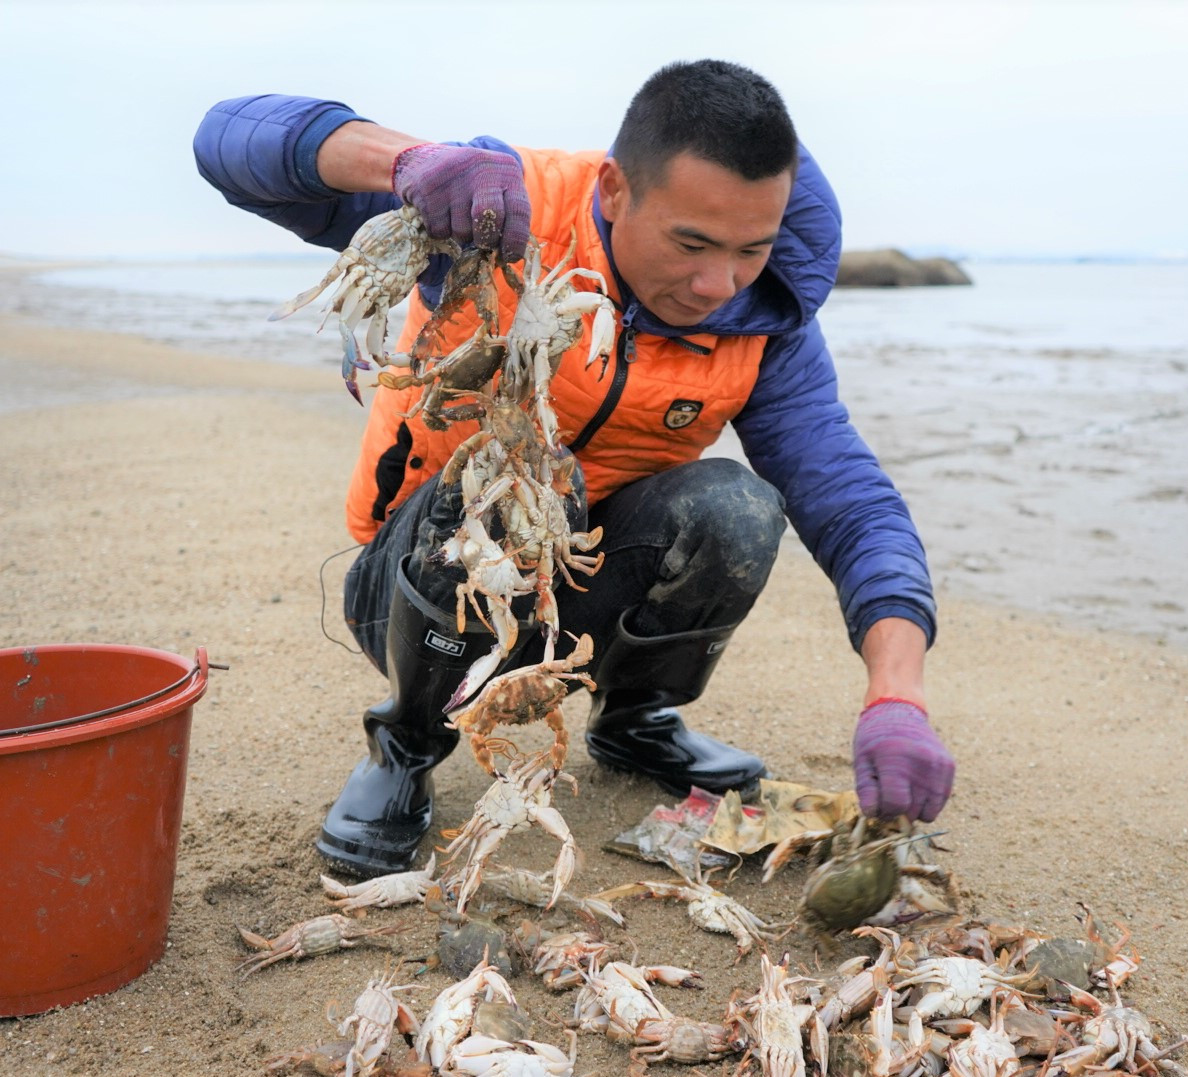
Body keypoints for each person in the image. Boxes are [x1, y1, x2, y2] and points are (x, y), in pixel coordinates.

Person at [194, 60, 954, 879]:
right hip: (421, 583)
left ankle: (635, 717)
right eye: (692, 243)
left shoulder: (764, 314)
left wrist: (897, 692)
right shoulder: (501, 208)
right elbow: (224, 141)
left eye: (751, 248)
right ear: (617, 190)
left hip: (591, 583)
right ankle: (406, 745)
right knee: (503, 482)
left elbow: (850, 501)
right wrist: (406, 162)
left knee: (738, 506)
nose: (717, 284)